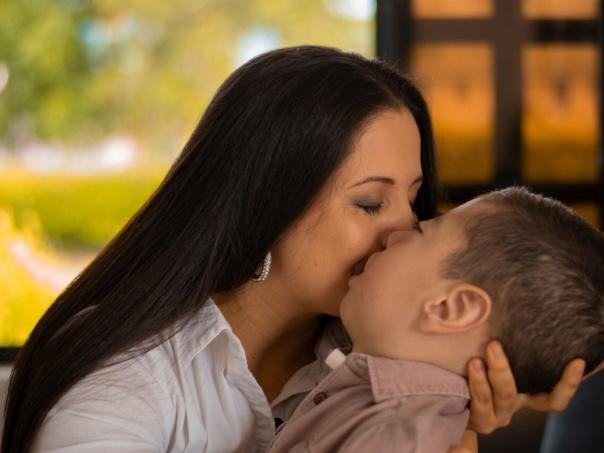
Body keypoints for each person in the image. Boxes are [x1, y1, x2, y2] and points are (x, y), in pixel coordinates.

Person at [1, 46, 584, 453]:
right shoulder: (127, 376)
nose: (404, 231)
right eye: (370, 203)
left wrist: (472, 404)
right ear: (267, 202)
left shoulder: (385, 355)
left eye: (413, 200)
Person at [268, 187, 604, 452]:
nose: (393, 235)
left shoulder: (396, 439)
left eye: (419, 232)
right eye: (371, 203)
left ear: (450, 308)